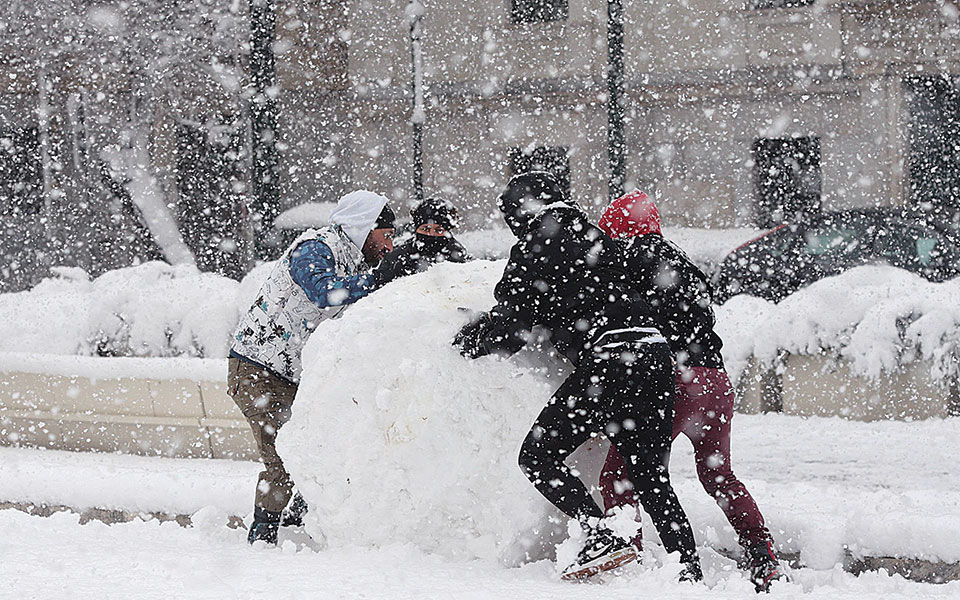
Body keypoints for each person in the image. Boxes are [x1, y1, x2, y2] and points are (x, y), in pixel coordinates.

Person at [454, 172, 702, 583]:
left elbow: (512, 330)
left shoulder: (536, 244)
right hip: (655, 357)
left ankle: (601, 532)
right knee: (653, 478)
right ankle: (689, 574)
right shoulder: (600, 239)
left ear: (520, 211)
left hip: (609, 361)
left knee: (537, 456)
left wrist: (469, 339)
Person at [596, 190, 784, 592]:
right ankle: (760, 553)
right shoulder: (681, 261)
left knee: (620, 473)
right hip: (714, 382)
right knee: (718, 474)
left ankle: (625, 557)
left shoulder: (626, 260)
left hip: (670, 381)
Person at [228, 190, 395, 545]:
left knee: (315, 448)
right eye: (387, 234)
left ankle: (299, 524)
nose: (390, 245)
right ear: (365, 227)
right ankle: (263, 538)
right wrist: (381, 280)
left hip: (294, 374)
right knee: (284, 460)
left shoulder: (358, 263)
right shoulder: (315, 247)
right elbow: (325, 294)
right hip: (257, 369)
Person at [375, 197, 471, 285]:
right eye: (425, 229)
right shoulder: (398, 258)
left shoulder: (459, 258)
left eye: (438, 230)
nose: (431, 235)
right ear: (416, 229)